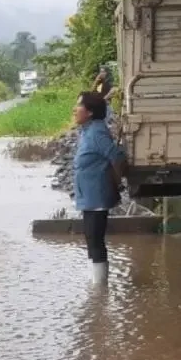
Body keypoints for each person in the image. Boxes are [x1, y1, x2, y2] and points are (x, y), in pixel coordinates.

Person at [73, 91, 127, 284]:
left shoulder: (96, 132)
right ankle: (95, 284)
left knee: (95, 239)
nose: (74, 109)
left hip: (97, 195)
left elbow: (117, 157)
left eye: (78, 106)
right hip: (88, 196)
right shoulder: (88, 130)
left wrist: (116, 181)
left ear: (89, 112)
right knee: (91, 238)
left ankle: (100, 291)